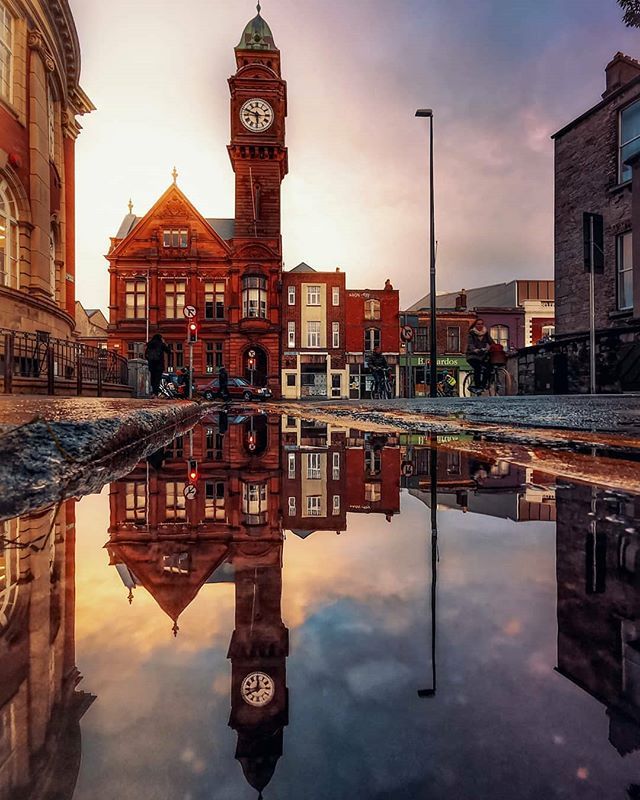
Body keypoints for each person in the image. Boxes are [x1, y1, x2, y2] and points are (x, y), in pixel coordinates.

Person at [466, 318, 494, 393]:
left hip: (482, 355)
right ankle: (477, 386)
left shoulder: (485, 333)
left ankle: (483, 385)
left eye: (481, 324)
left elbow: (491, 342)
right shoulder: (471, 333)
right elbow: (470, 344)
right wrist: (474, 349)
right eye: (478, 324)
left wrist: (496, 347)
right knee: (477, 368)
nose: (480, 325)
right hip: (472, 356)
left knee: (488, 367)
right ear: (475, 325)